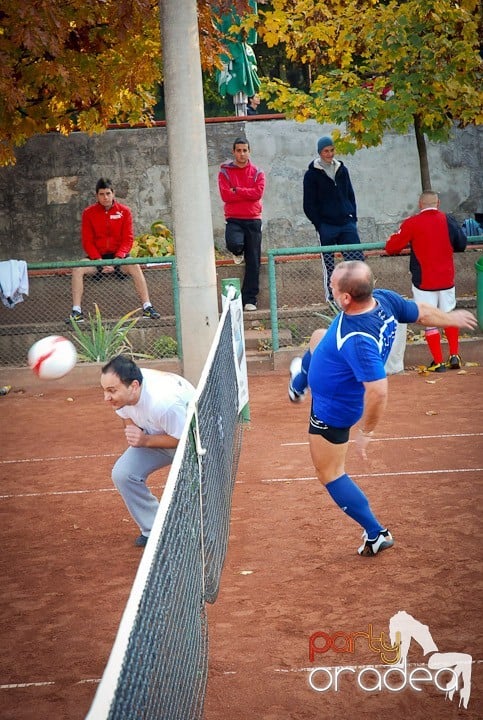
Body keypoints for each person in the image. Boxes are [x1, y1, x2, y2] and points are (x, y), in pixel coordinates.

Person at [287, 260, 477, 557]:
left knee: (329, 472)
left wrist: (367, 431)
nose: (331, 289)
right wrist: (450, 318)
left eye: (333, 287)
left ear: (346, 298)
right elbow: (422, 312)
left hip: (333, 409)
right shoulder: (383, 299)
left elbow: (377, 389)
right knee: (319, 336)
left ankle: (377, 533)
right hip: (330, 374)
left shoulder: (358, 340)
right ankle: (300, 384)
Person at [101, 355, 195, 547]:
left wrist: (145, 440)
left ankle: (195, 535)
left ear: (134, 386)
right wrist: (136, 432)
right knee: (124, 474)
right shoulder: (123, 396)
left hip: (194, 440)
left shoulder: (163, 404)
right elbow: (126, 416)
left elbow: (182, 439)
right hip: (159, 434)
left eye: (111, 391)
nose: (106, 398)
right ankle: (154, 529)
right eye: (104, 391)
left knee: (191, 487)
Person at [385, 190, 467, 371]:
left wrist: (392, 239)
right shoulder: (448, 220)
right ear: (437, 204)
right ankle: (454, 355)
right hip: (446, 278)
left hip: (424, 281)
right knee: (448, 314)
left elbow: (392, 247)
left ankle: (438, 361)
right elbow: (462, 244)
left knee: (428, 318)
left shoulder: (412, 223)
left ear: (420, 204)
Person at [67, 178, 160, 323]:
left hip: (119, 259)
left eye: (108, 193)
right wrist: (99, 261)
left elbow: (128, 239)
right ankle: (76, 312)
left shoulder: (125, 211)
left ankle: (147, 307)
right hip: (96, 259)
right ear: (97, 195)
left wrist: (117, 259)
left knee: (135, 265)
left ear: (113, 193)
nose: (105, 197)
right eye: (102, 194)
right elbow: (87, 241)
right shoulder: (88, 213)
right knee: (78, 268)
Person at [303, 135, 364, 301]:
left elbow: (350, 194)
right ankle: (331, 296)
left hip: (346, 223)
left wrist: (352, 217)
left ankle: (359, 293)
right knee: (329, 263)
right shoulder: (311, 175)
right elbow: (308, 204)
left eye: (331, 150)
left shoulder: (342, 170)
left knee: (356, 260)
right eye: (325, 151)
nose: (329, 154)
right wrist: (319, 224)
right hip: (326, 225)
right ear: (320, 152)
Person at [218, 137, 266, 312]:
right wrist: (246, 192)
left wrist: (237, 190)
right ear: (233, 152)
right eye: (238, 150)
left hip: (253, 219)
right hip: (234, 218)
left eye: (245, 150)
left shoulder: (257, 172)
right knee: (234, 243)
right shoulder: (225, 171)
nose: (242, 153)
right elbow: (225, 195)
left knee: (253, 262)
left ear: (249, 151)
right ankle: (238, 251)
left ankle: (250, 300)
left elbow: (258, 193)